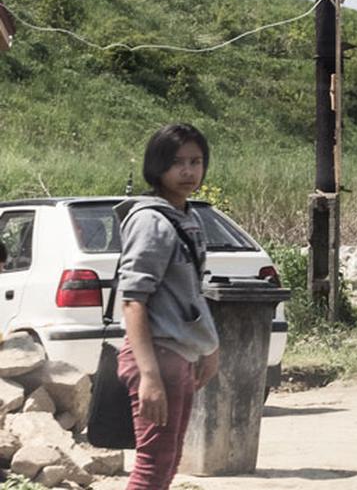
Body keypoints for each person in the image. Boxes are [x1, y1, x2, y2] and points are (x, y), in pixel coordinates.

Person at [116, 124, 221, 490]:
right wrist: (149, 375)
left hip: (177, 353)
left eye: (196, 161)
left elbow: (190, 290)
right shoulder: (150, 220)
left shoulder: (186, 217)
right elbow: (132, 299)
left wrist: (209, 347)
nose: (189, 172)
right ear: (157, 166)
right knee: (152, 465)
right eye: (178, 163)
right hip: (155, 354)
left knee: (167, 462)